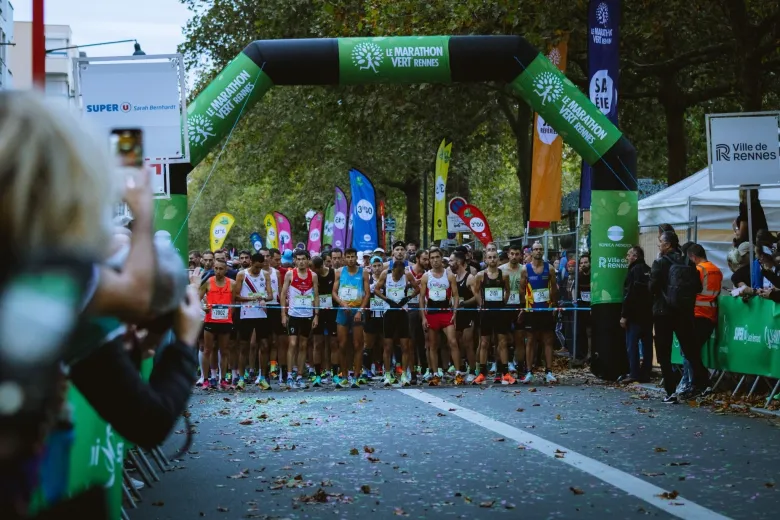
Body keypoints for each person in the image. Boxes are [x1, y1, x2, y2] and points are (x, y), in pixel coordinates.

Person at [650, 231, 702, 404]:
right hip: (684, 312)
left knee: (664, 353)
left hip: (663, 313)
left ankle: (671, 392)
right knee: (690, 350)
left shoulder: (660, 262)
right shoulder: (688, 262)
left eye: (660, 242)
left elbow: (652, 287)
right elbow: (699, 287)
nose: (658, 245)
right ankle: (702, 385)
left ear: (667, 245)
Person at [420, 247, 462, 385]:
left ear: (441, 258)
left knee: (453, 342)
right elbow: (421, 298)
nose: (434, 260)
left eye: (437, 257)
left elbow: (456, 295)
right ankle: (435, 373)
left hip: (446, 312)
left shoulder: (449, 275)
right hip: (431, 313)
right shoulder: (426, 276)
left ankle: (457, 373)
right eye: (432, 258)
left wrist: (455, 313)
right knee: (433, 345)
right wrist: (424, 317)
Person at [684, 243, 722, 398]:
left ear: (693, 256)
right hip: (710, 315)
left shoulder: (698, 270)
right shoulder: (716, 270)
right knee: (693, 350)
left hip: (697, 313)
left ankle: (700, 383)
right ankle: (700, 383)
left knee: (690, 351)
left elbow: (690, 291)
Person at [374, 258, 419, 386]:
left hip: (402, 312)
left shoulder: (407, 275)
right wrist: (387, 300)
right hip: (389, 311)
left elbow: (417, 288)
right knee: (387, 345)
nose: (399, 276)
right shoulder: (385, 275)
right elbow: (376, 290)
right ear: (392, 269)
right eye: (397, 273)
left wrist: (408, 298)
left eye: (401, 274)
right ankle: (387, 374)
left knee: (405, 345)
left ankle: (404, 374)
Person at [519, 241, 559, 384]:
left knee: (548, 340)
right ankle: (529, 371)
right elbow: (521, 289)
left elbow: (554, 288)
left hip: (546, 309)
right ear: (531, 252)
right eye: (535, 249)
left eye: (540, 249)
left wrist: (554, 305)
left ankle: (548, 371)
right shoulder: (525, 269)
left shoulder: (550, 269)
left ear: (543, 251)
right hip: (531, 310)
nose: (538, 251)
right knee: (530, 340)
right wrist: (523, 308)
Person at [233, 253, 273, 390]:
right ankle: (241, 378)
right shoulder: (241, 274)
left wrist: (263, 299)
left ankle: (262, 377)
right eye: (256, 267)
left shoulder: (265, 274)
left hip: (261, 314)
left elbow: (270, 295)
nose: (258, 270)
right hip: (246, 314)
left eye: (260, 267)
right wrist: (252, 299)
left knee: (264, 345)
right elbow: (236, 296)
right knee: (244, 346)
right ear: (251, 263)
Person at [280, 249, 319, 389]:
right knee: (292, 343)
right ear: (295, 260)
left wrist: (316, 315)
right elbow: (283, 294)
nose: (301, 262)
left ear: (308, 260)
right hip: (293, 315)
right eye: (298, 259)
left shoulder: (313, 275)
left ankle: (300, 375)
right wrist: (283, 315)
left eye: (304, 259)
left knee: (303, 345)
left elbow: (316, 296)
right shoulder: (290, 274)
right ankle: (290, 375)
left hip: (307, 315)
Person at [332, 248, 370, 388]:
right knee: (342, 344)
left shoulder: (363, 272)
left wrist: (360, 310)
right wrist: (342, 304)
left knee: (357, 344)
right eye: (348, 257)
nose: (350, 259)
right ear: (344, 258)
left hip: (357, 310)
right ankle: (344, 376)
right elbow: (334, 292)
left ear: (356, 258)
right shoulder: (339, 272)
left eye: (353, 256)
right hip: (343, 310)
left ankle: (356, 376)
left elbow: (367, 294)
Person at [475, 250, 512, 384]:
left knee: (502, 342)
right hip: (486, 312)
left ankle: (505, 373)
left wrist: (503, 303)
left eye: (494, 257)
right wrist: (481, 305)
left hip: (500, 311)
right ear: (485, 259)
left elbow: (508, 290)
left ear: (498, 259)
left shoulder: (504, 275)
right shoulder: (480, 275)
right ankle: (482, 374)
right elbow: (476, 291)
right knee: (484, 342)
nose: (492, 260)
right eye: (489, 257)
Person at [199, 258, 235, 389]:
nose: (218, 271)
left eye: (221, 269)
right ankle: (206, 379)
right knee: (207, 350)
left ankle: (223, 379)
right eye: (216, 268)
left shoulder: (232, 283)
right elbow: (198, 298)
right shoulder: (208, 282)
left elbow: (235, 302)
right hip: (210, 320)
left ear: (226, 270)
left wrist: (231, 313)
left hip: (225, 321)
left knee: (224, 351)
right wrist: (204, 307)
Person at [619, 246, 653, 383]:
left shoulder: (633, 271)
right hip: (648, 314)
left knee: (632, 345)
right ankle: (646, 373)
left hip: (634, 316)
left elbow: (630, 295)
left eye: (628, 255)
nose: (627, 258)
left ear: (635, 256)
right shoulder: (649, 270)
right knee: (647, 346)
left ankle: (634, 373)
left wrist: (624, 315)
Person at [311, 255, 337, 386]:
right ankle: (317, 375)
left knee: (333, 343)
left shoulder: (332, 273)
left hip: (332, 312)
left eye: (313, 269)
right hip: (318, 313)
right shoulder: (313, 276)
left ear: (320, 267)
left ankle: (335, 374)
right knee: (317, 344)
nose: (311, 271)